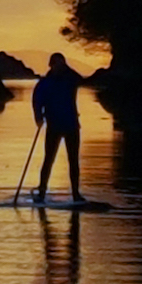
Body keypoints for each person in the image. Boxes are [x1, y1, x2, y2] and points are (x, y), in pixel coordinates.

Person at [32, 52, 87, 203]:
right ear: (51, 65)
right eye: (56, 64)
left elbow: (80, 80)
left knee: (73, 160)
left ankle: (76, 194)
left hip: (71, 125)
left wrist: (67, 69)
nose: (59, 67)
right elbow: (37, 100)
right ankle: (41, 192)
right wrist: (38, 117)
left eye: (61, 64)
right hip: (54, 126)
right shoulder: (45, 83)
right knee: (49, 159)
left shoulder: (70, 79)